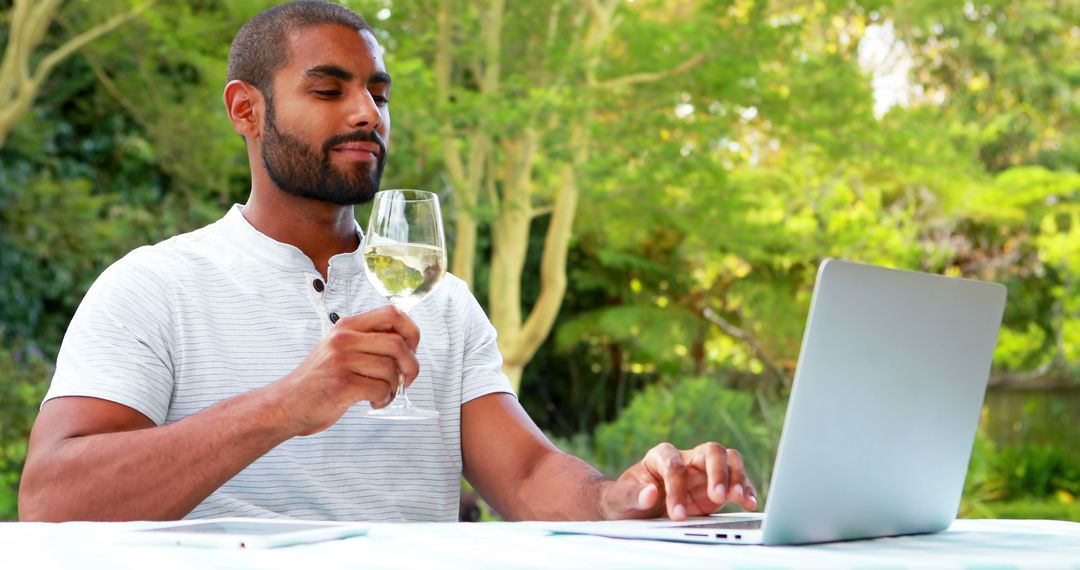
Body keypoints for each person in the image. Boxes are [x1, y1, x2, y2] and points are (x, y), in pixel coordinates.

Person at [18, 0, 757, 523]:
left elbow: (528, 477)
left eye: (377, 91)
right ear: (246, 110)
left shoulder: (441, 301)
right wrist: (284, 407)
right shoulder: (152, 287)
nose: (368, 112)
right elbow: (53, 500)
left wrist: (626, 497)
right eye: (328, 88)